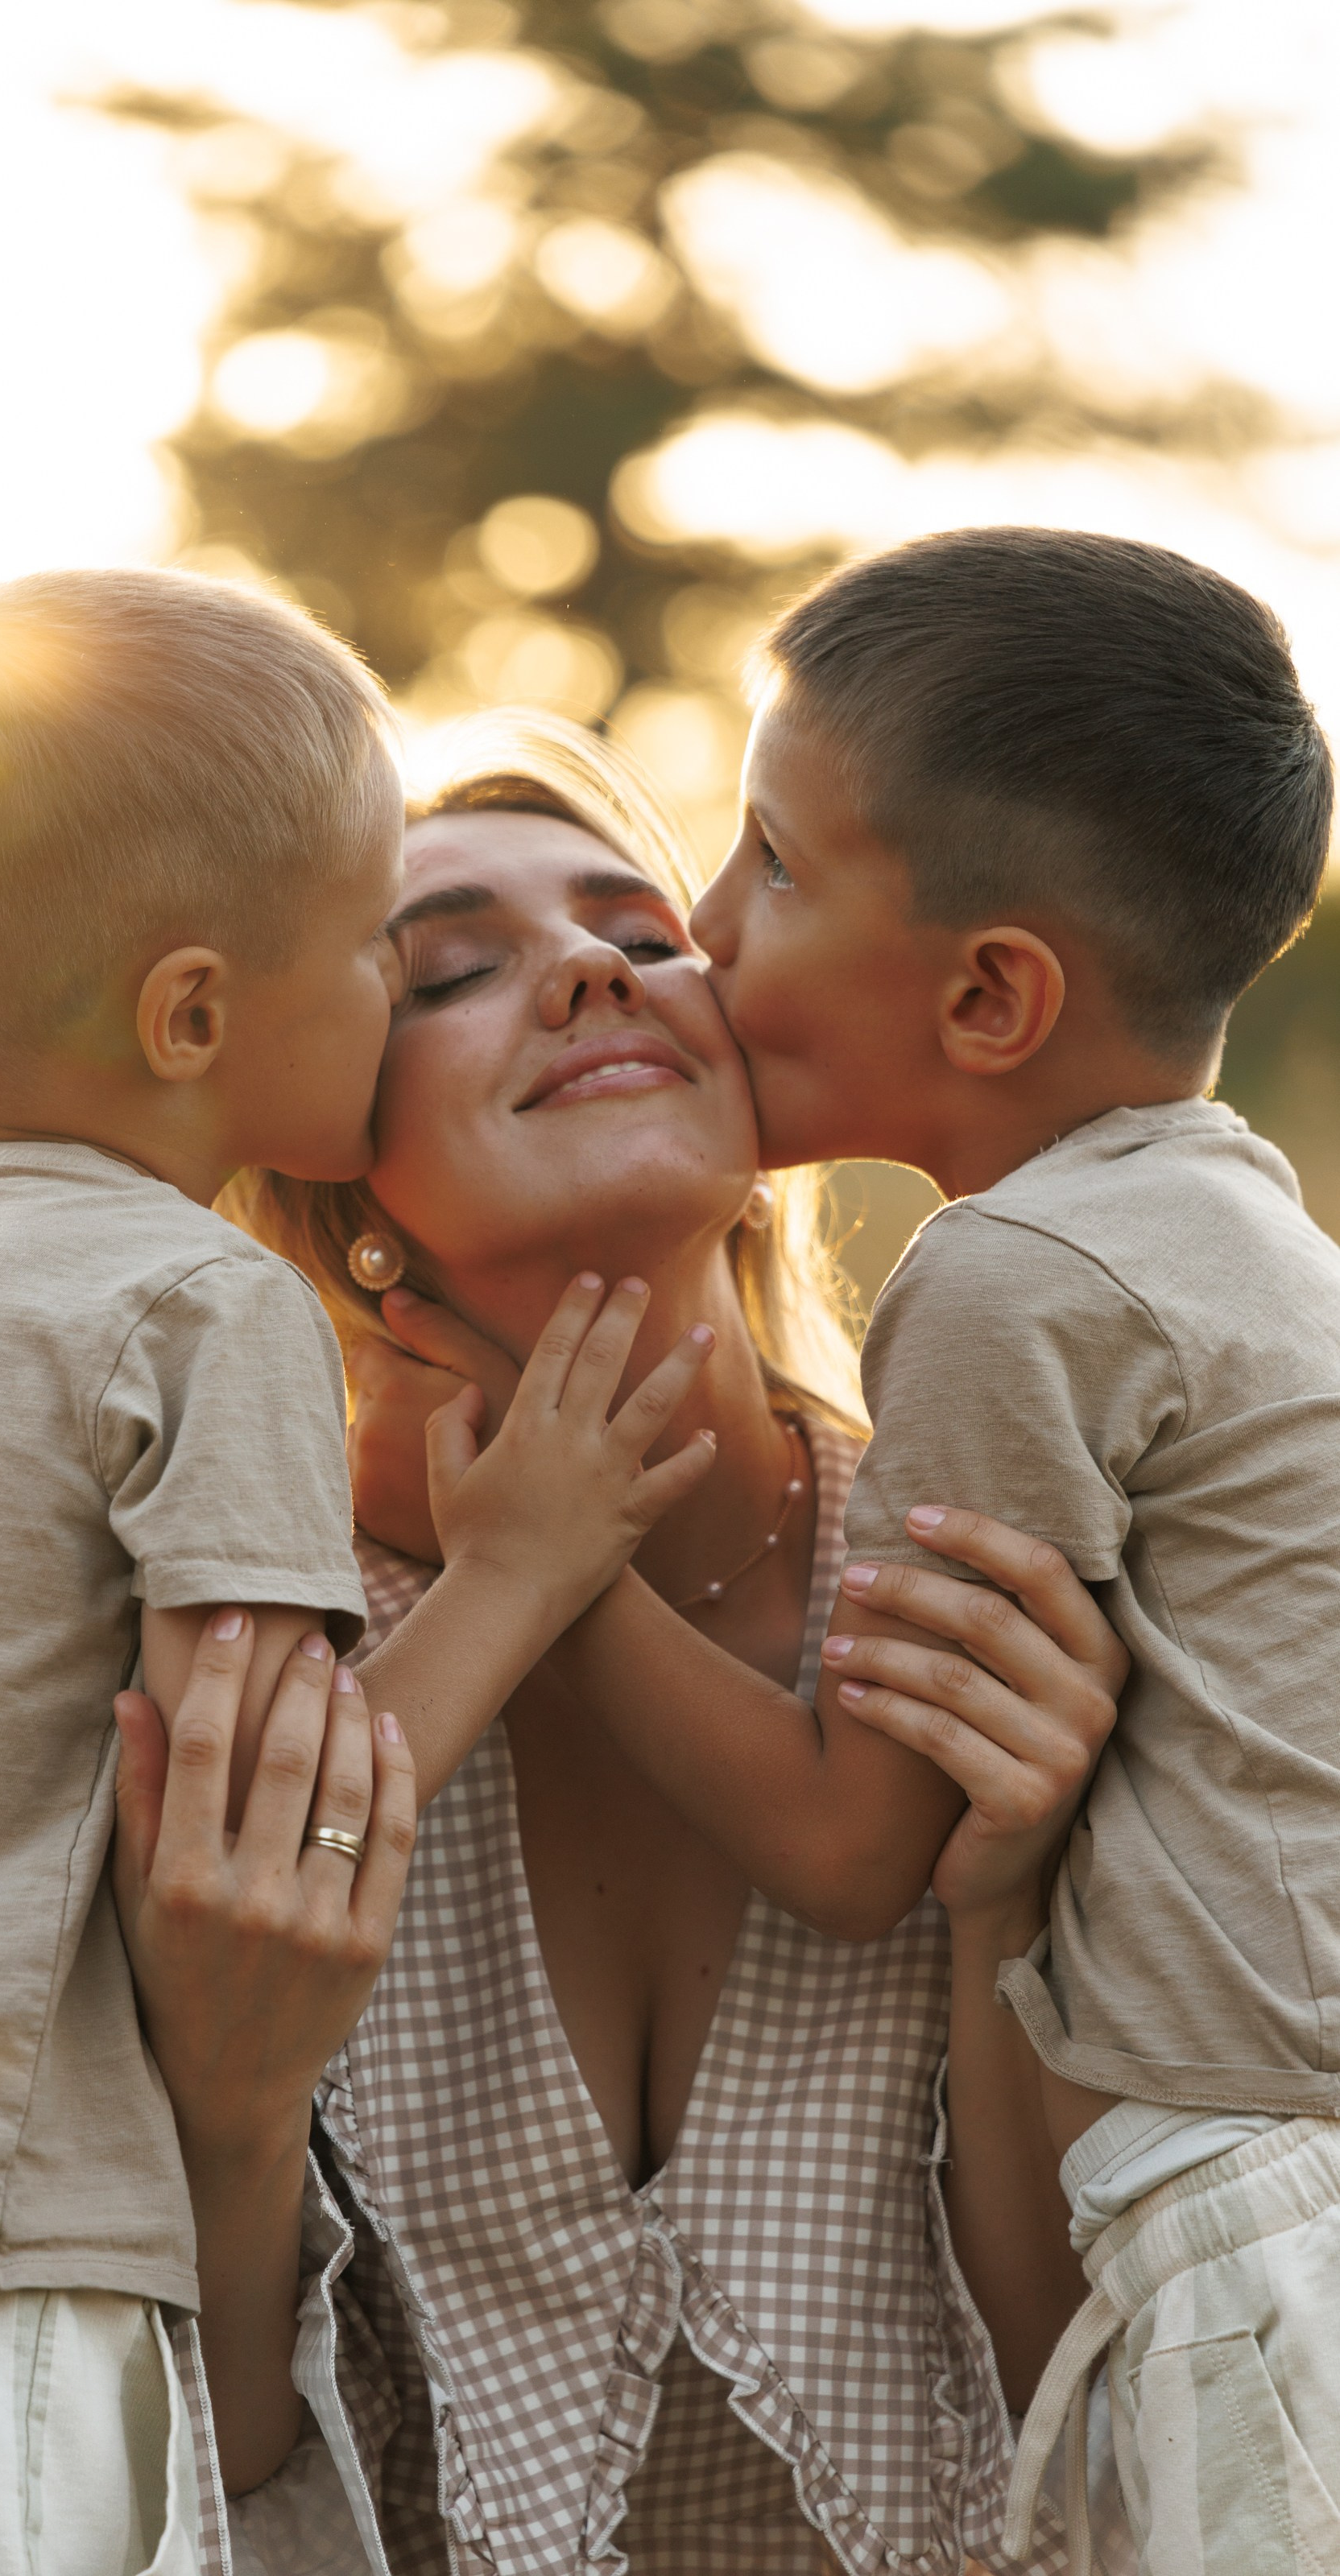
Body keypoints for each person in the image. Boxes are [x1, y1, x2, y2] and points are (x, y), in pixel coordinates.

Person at [0, 579, 716, 2572]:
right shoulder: (198, 1302)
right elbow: (272, 1808)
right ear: (195, 1015)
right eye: (379, 953)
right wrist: (527, 1567)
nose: (385, 1004)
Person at [114, 715, 1127, 2575]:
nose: (589, 969)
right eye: (452, 970)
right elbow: (227, 2457)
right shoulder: (274, 1647)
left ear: (753, 1113)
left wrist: (1006, 1906)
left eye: (642, 934)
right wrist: (237, 2117)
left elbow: (1065, 2391)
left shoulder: (966, 1564)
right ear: (345, 1197)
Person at [494, 529, 1332, 2573]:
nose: (699, 928)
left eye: (767, 861)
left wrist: (545, 1567)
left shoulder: (1007, 1279)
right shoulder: (1220, 1227)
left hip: (1246, 2221)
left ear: (985, 991)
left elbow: (860, 1838)